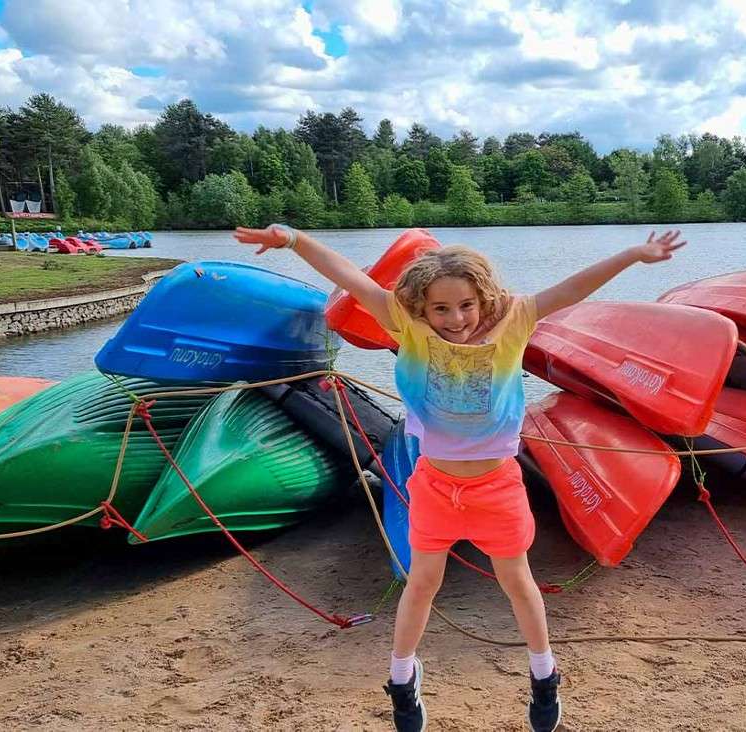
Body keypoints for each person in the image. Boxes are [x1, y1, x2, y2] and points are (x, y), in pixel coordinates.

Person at [234, 224, 685, 732]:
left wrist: (632, 254)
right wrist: (294, 240)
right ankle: (403, 681)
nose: (455, 319)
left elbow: (572, 289)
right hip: (434, 486)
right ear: (421, 309)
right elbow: (351, 278)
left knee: (518, 581)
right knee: (422, 582)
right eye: (441, 309)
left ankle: (544, 674)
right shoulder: (409, 327)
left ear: (483, 297)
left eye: (466, 305)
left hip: (497, 487)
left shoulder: (514, 320)